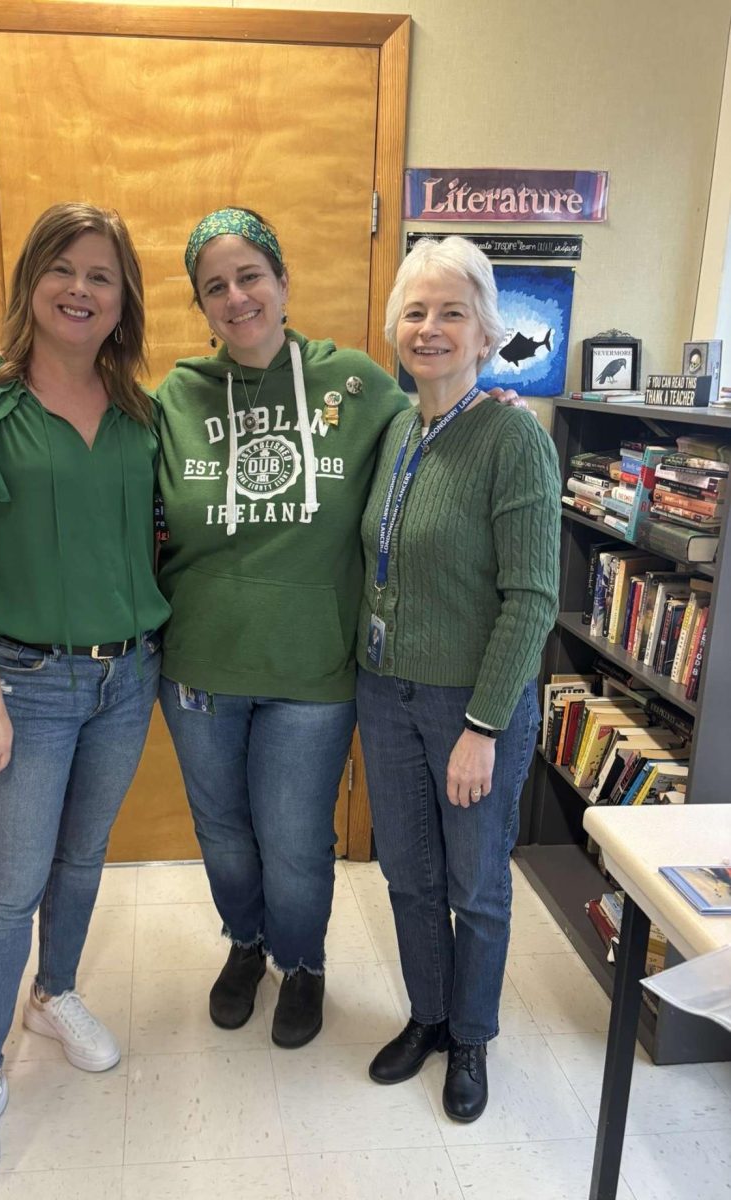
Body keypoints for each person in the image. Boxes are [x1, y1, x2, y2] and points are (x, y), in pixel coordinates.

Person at [0, 203, 169, 1191]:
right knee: (10, 881)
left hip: (126, 674)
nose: (80, 289)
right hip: (26, 678)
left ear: (122, 300)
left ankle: (53, 992)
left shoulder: (139, 412)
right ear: (30, 281)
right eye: (62, 269)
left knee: (82, 858)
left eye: (101, 275)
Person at [154, 207, 410, 1049]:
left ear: (284, 284)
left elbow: (432, 435)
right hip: (199, 670)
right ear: (202, 306)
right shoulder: (175, 399)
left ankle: (302, 962)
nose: (237, 297)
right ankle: (245, 942)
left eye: (250, 276)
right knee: (224, 835)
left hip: (312, 673)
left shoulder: (358, 386)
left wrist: (490, 402)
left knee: (296, 842)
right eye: (215, 287)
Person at [355, 235, 560, 1122]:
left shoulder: (513, 438)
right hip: (384, 694)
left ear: (486, 334)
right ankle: (428, 1016)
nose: (429, 328)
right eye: (415, 310)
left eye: (451, 312)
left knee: (475, 884)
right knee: (408, 874)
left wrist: (482, 726)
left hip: (472, 706)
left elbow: (533, 600)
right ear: (394, 326)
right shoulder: (399, 428)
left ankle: (471, 1036)